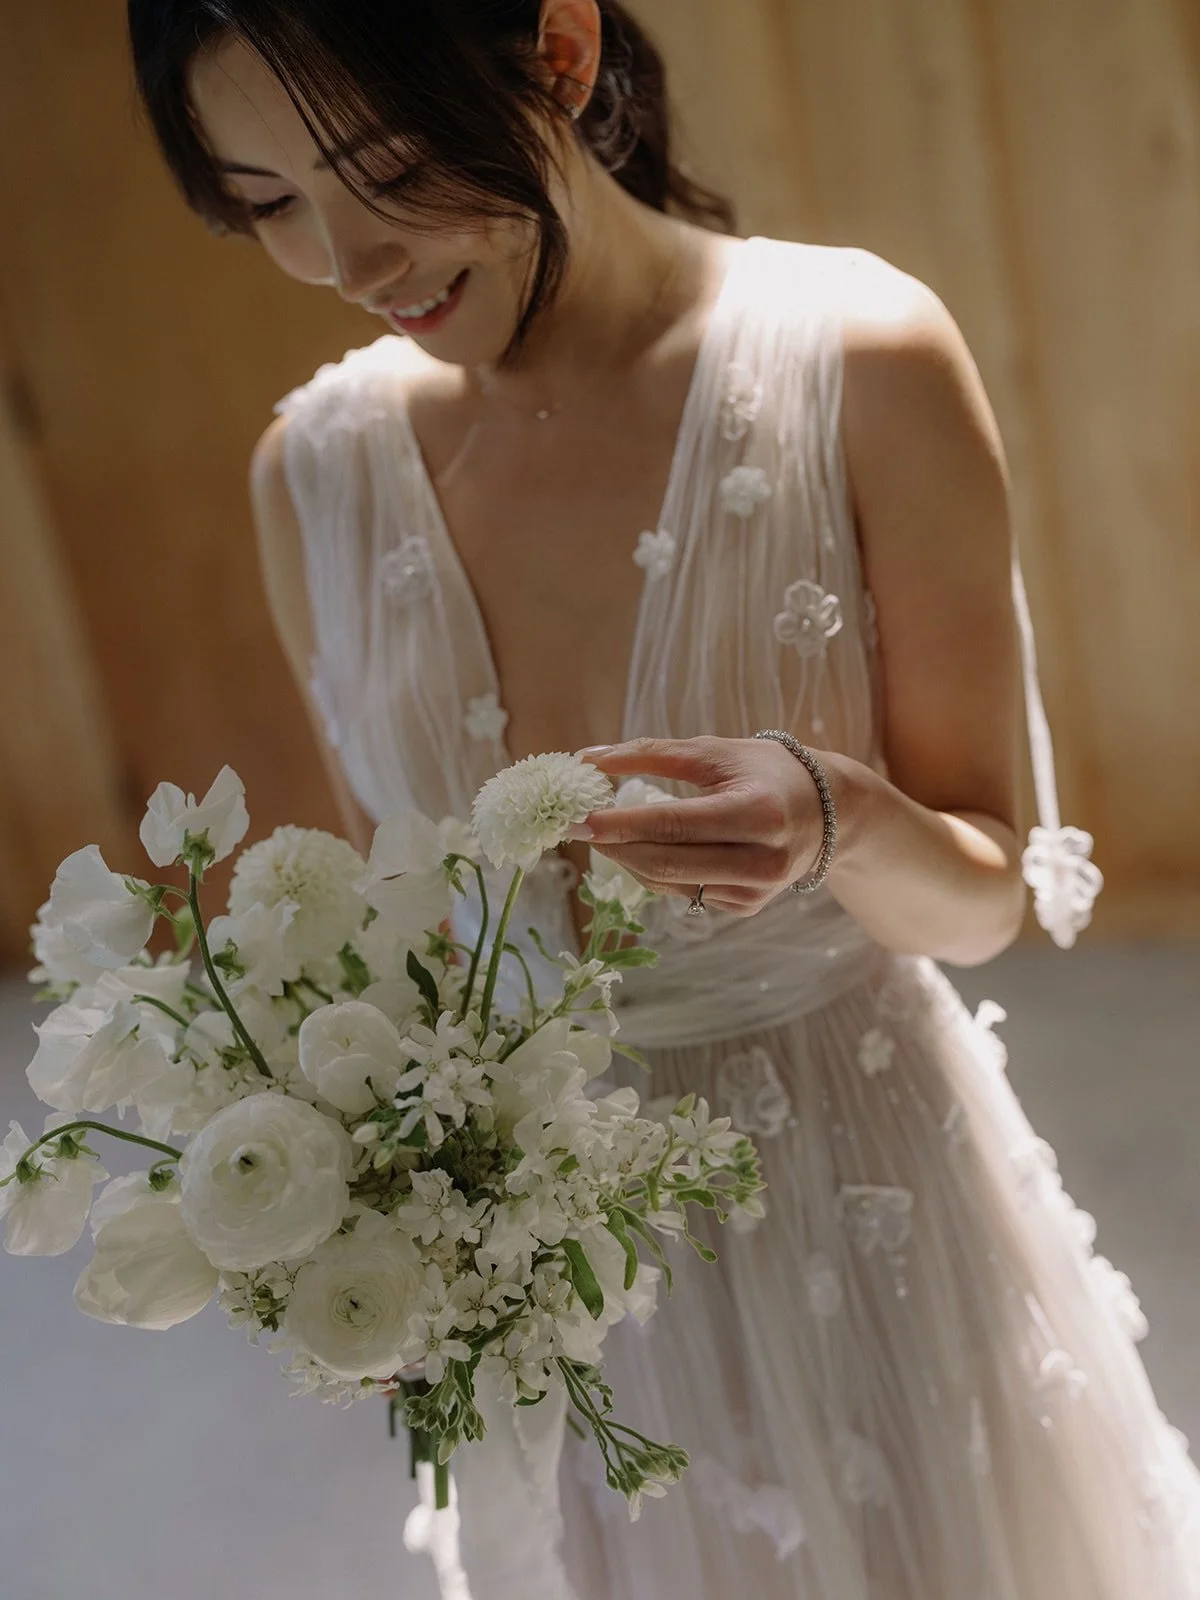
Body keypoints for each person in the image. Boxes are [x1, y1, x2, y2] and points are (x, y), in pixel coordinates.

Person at [127, 2, 1200, 1595]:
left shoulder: (860, 357)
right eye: (270, 201)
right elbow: (407, 949)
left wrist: (838, 815)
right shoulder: (316, 475)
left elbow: (986, 900)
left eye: (386, 166)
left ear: (557, 51)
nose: (350, 261)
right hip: (553, 1300)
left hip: (866, 1216)